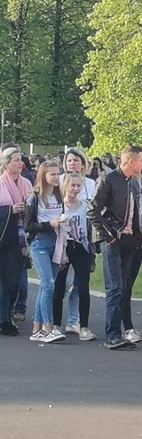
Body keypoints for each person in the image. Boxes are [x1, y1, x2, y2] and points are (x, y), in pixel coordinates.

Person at [88, 145, 142, 350]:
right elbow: (93, 211)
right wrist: (109, 237)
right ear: (130, 161)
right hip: (114, 240)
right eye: (140, 161)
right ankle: (112, 335)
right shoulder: (109, 179)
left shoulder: (134, 183)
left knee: (124, 287)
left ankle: (119, 333)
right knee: (115, 287)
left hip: (130, 241)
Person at [0, 147, 33, 335]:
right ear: (6, 163)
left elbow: (34, 206)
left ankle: (9, 313)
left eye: (21, 160)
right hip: (2, 240)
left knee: (18, 282)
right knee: (5, 280)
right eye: (16, 160)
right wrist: (9, 210)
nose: (21, 163)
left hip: (20, 239)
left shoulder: (27, 183)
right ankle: (3, 319)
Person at [23, 161, 67, 343]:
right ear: (44, 176)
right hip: (40, 242)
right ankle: (49, 327)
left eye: (58, 174)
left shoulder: (59, 195)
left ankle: (37, 328)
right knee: (49, 284)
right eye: (52, 174)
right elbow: (28, 226)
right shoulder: (34, 197)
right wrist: (50, 224)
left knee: (46, 286)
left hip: (57, 242)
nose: (56, 177)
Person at [53, 172, 97, 341]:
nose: (75, 189)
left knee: (83, 288)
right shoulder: (59, 205)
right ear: (66, 186)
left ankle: (83, 326)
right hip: (63, 247)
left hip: (81, 247)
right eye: (73, 185)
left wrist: (92, 253)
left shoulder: (85, 206)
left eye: (79, 186)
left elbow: (91, 229)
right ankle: (56, 325)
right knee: (59, 286)